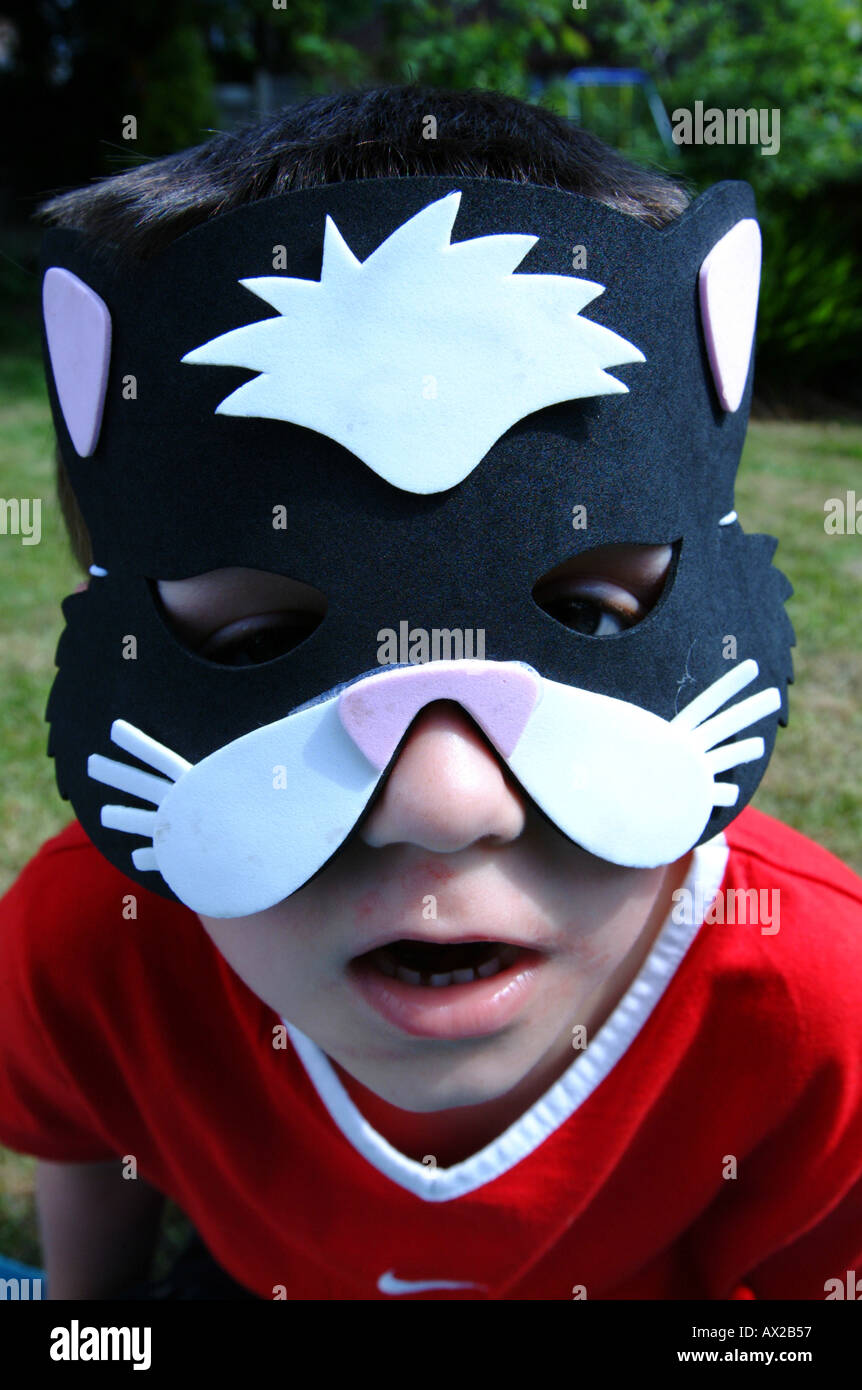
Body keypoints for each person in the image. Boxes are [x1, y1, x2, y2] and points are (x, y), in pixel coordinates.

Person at [0, 84, 860, 1302]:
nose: (446, 801)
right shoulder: (91, 947)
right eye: (254, 643)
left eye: (588, 617)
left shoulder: (821, 1009)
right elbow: (89, 1148)